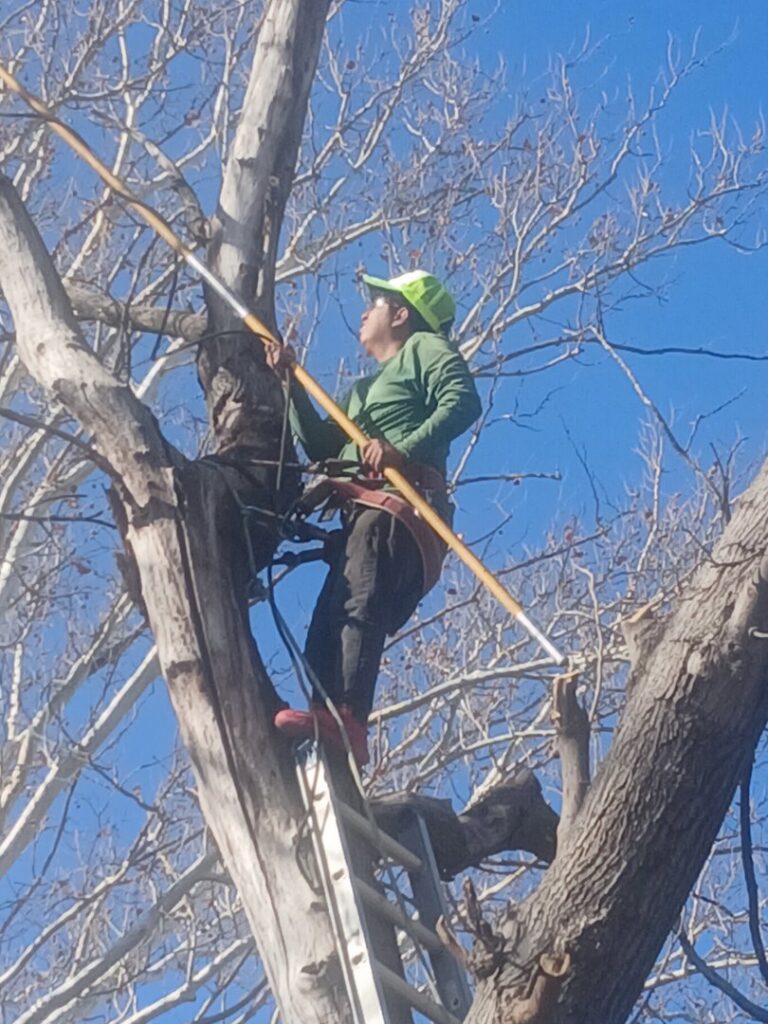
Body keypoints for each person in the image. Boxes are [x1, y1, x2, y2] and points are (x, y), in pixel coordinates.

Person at [267, 270, 481, 766]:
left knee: (357, 600)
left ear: (401, 315)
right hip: (362, 512)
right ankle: (326, 712)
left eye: (375, 304)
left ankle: (347, 718)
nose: (364, 313)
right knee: (330, 615)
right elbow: (324, 447)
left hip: (397, 511)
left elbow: (462, 402)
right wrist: (291, 386)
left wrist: (401, 451)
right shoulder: (363, 391)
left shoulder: (425, 349)